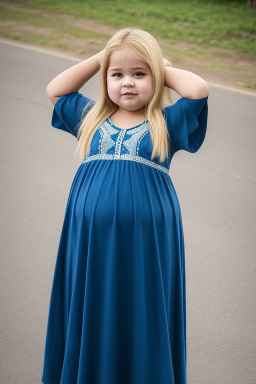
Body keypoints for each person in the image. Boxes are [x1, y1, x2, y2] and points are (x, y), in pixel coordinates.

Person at [41, 27, 209, 384]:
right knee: (94, 303)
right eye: (117, 75)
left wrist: (161, 66)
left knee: (140, 304)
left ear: (156, 78)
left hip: (145, 241)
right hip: (90, 240)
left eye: (139, 74)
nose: (127, 83)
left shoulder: (165, 123)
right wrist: (102, 58)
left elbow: (198, 91)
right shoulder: (91, 118)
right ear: (105, 80)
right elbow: (55, 89)